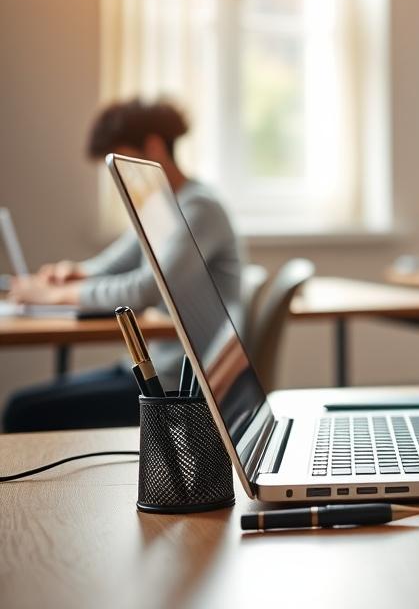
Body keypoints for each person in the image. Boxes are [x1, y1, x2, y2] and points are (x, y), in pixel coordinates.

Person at [3, 99, 243, 432]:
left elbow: (144, 288)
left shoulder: (200, 208)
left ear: (155, 146)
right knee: (23, 404)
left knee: (23, 412)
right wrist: (72, 273)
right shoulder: (162, 207)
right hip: (154, 367)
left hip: (179, 385)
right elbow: (116, 263)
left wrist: (52, 296)